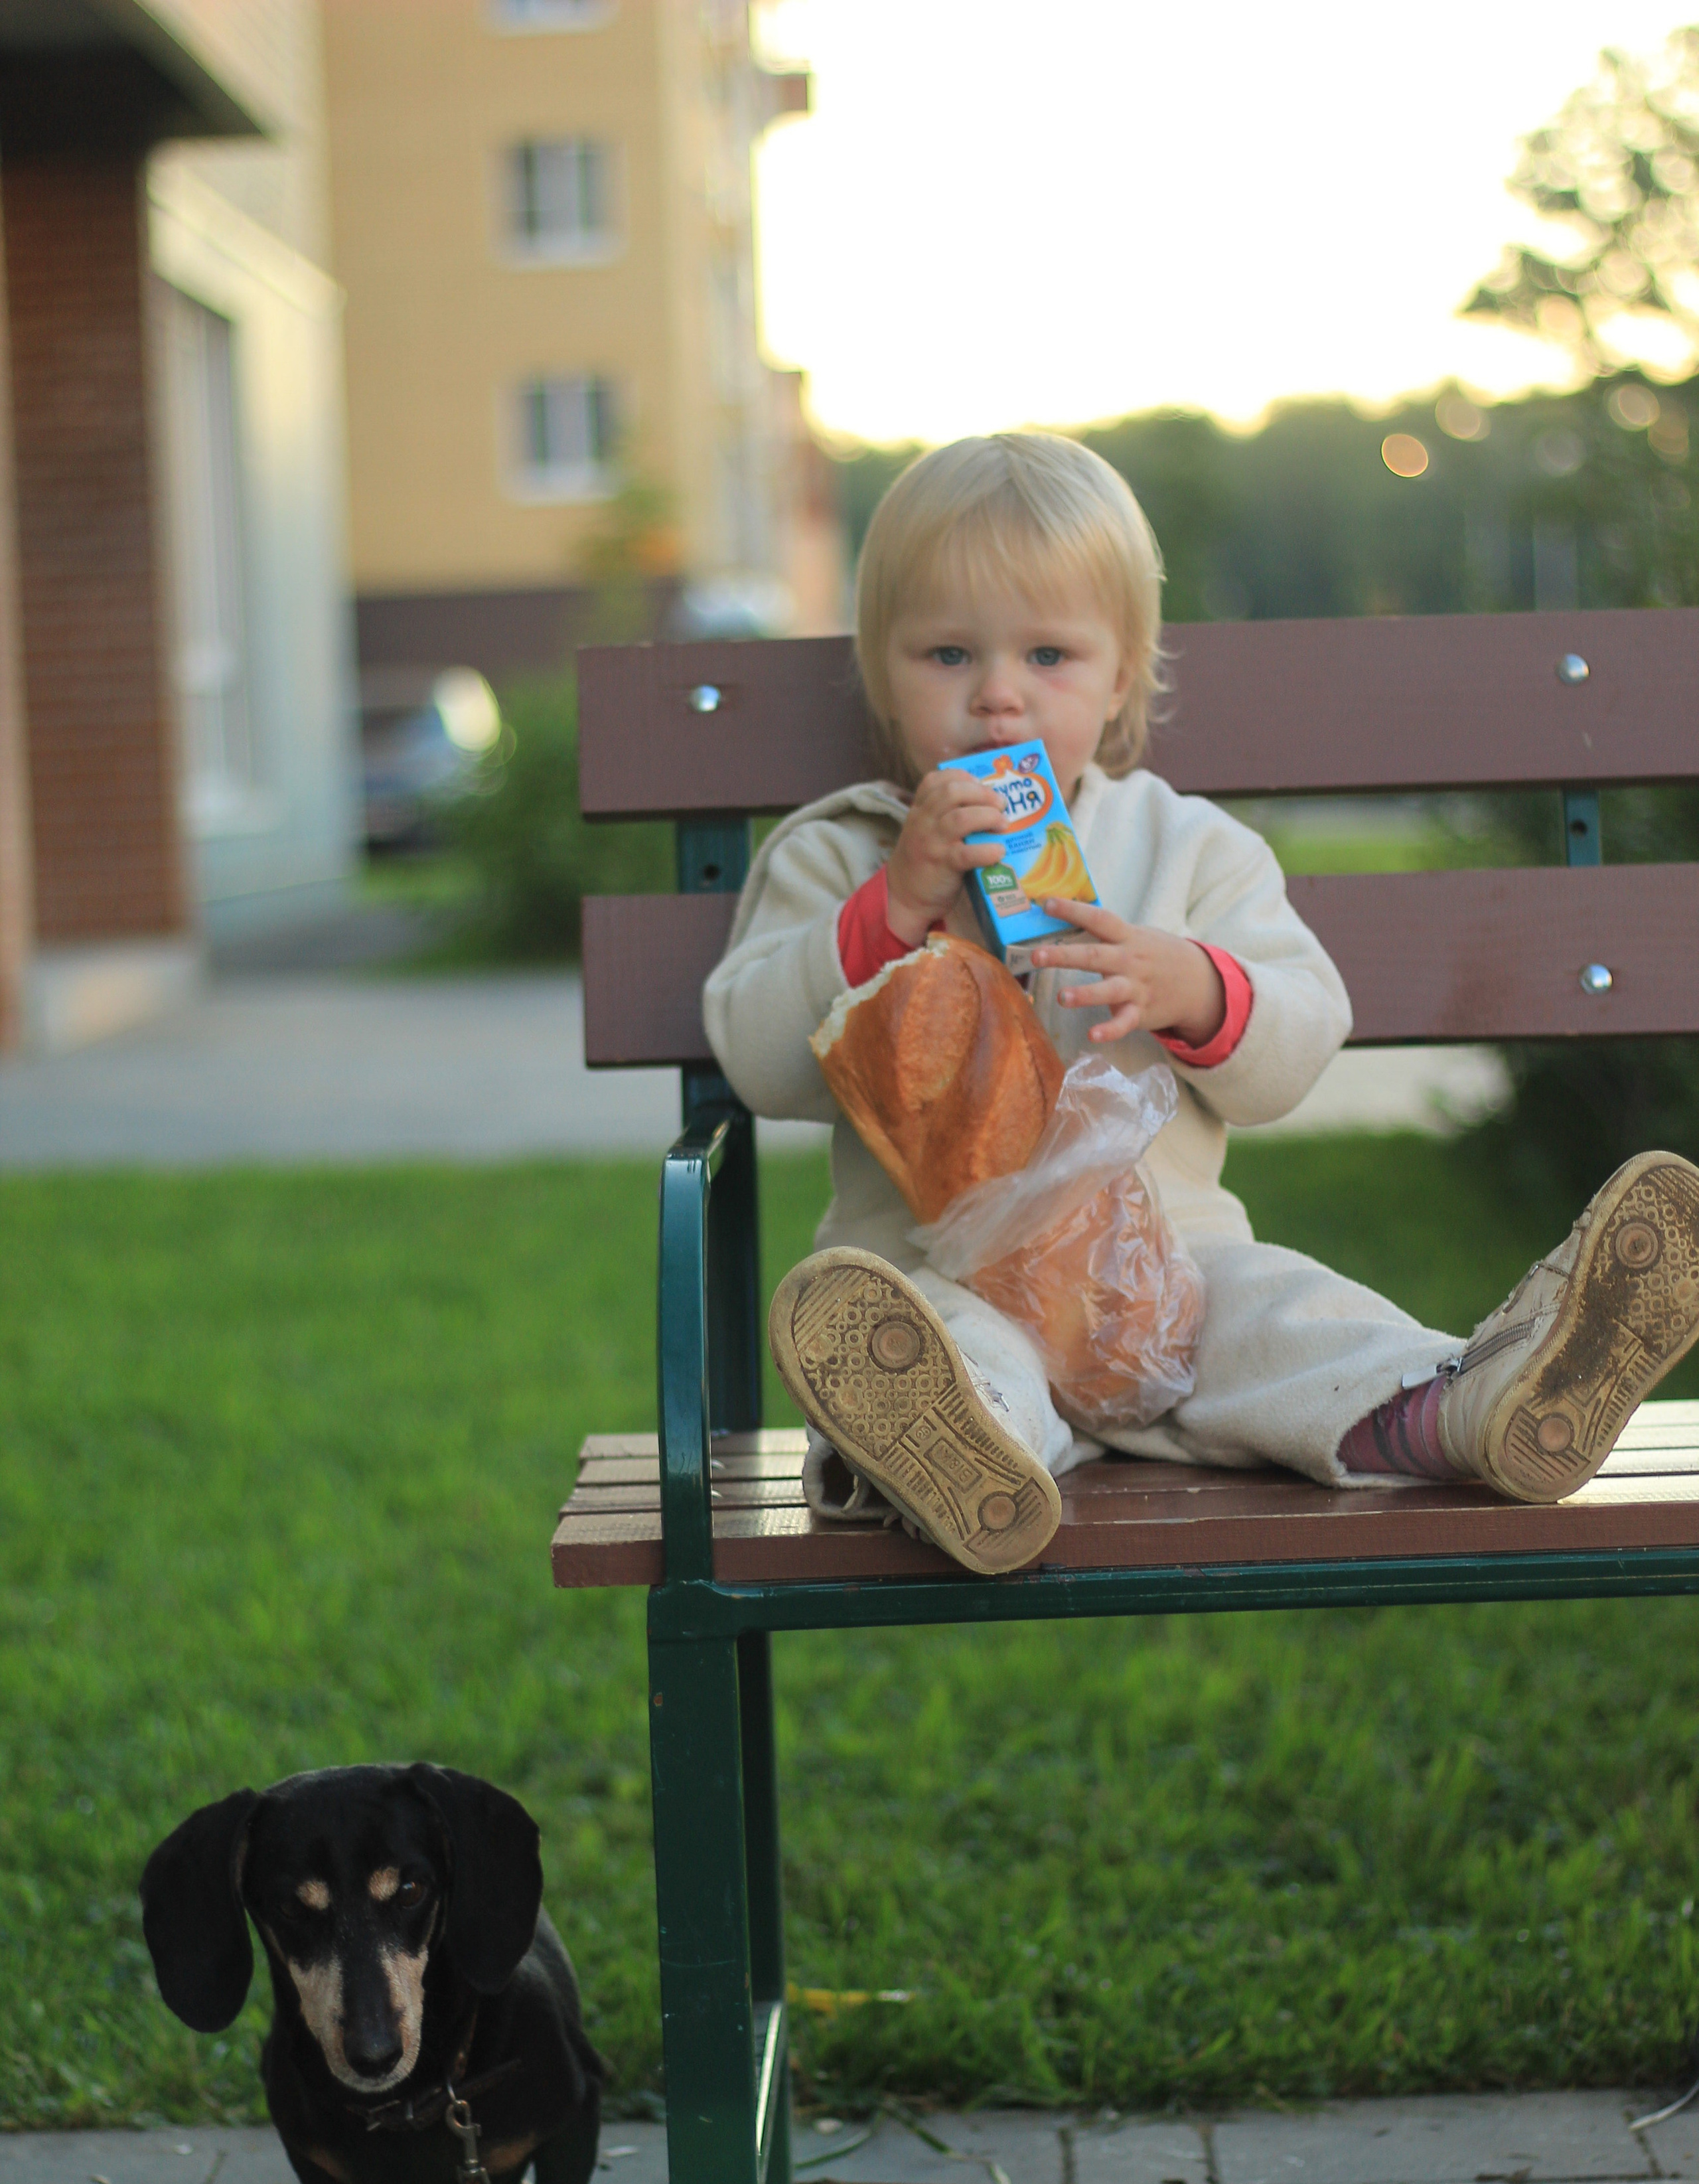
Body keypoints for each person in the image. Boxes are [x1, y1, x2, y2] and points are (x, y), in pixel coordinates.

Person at [703, 432, 1699, 1576]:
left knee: (1292, 1323)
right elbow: (756, 1057)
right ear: (882, 673)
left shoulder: (1186, 847)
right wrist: (893, 905)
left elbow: (1300, 1035)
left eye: (1049, 655)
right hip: (944, 1275)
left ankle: (1484, 1404)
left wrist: (1199, 990)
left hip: (1172, 1275)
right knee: (946, 1351)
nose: (997, 694)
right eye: (946, 654)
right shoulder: (845, 853)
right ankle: (953, 1453)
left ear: (1120, 677)